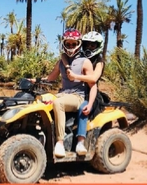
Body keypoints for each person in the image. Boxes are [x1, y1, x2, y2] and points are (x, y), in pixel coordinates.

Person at [28, 28, 97, 158]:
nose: (70, 47)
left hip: (78, 97)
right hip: (63, 94)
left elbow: (93, 86)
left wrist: (91, 103)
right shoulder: (61, 62)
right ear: (64, 44)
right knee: (41, 100)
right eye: (68, 44)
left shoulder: (85, 62)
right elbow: (50, 79)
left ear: (79, 44)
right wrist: (33, 81)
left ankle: (60, 142)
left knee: (58, 102)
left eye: (73, 44)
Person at [62, 31, 109, 155]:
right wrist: (67, 67)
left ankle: (80, 143)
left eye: (92, 45)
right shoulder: (80, 57)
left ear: (98, 46)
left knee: (83, 108)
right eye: (87, 45)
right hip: (77, 92)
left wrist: (75, 76)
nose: (89, 48)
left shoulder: (99, 62)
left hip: (92, 95)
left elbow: (93, 79)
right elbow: (63, 56)